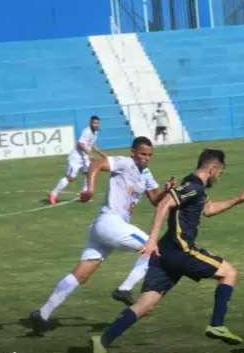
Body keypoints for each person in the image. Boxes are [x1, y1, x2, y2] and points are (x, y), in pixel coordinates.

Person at [94, 149, 244, 352]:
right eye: (220, 172)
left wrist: (238, 199)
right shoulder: (193, 186)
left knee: (146, 304)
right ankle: (216, 325)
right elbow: (164, 203)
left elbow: (207, 209)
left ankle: (102, 342)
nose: (219, 176)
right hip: (181, 250)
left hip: (166, 252)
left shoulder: (194, 185)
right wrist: (152, 239)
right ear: (213, 168)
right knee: (229, 273)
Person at [30, 136, 176, 337]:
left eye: (149, 155)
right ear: (133, 152)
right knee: (154, 248)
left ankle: (42, 314)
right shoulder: (125, 163)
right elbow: (96, 163)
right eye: (142, 153)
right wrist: (89, 188)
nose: (146, 158)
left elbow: (154, 200)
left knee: (80, 275)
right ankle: (124, 289)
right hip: (110, 222)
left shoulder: (147, 174)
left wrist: (166, 192)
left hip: (105, 227)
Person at [47, 115, 106, 205]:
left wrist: (103, 154)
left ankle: (84, 195)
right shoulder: (87, 131)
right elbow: (80, 144)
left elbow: (92, 145)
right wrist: (89, 153)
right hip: (76, 157)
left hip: (84, 157)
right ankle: (53, 194)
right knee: (70, 178)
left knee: (88, 174)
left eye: (97, 123)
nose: (96, 124)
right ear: (90, 123)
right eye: (94, 123)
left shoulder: (95, 133)